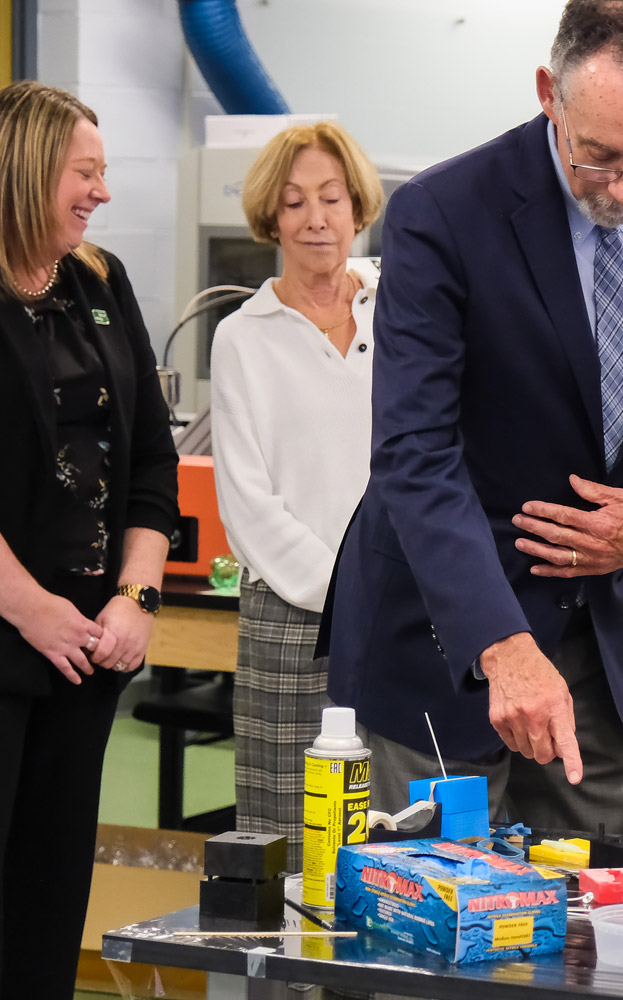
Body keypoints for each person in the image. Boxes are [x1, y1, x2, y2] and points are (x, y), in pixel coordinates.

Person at [320, 0, 623, 835]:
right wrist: (500, 644)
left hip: (601, 642)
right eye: (602, 156)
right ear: (551, 94)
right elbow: (415, 452)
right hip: (447, 639)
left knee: (594, 926)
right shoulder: (444, 214)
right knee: (429, 928)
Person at [0, 81, 177, 998]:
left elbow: (152, 457)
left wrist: (136, 598)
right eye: (86, 172)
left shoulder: (100, 282)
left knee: (48, 896)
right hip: (11, 632)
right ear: (28, 171)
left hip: (88, 649)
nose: (102, 192)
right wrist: (31, 609)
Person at [210, 122, 384, 871]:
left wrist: (391, 593)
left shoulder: (403, 307)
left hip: (404, 612)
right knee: (287, 848)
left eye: (331, 198)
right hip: (291, 618)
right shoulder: (242, 336)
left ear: (357, 207)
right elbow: (248, 503)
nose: (316, 218)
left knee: (397, 836)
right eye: (294, 202)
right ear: (270, 219)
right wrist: (346, 592)